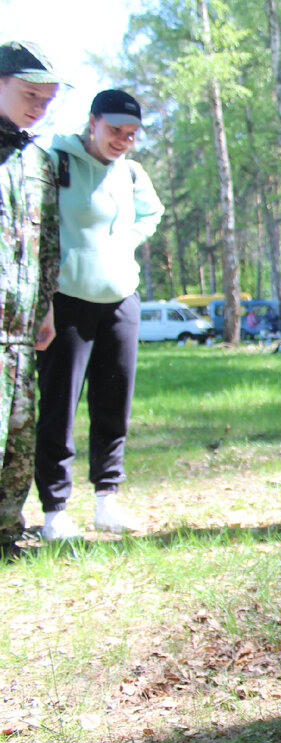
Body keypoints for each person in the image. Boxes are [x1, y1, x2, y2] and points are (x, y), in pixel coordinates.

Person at [35, 89, 165, 540]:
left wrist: (124, 241)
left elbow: (152, 213)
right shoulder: (56, 160)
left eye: (131, 135)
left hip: (120, 298)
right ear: (92, 121)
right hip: (67, 298)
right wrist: (45, 297)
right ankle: (55, 511)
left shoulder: (131, 172)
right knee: (59, 405)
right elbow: (38, 224)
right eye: (114, 131)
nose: (122, 141)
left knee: (114, 402)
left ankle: (106, 501)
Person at [0, 42, 62, 559]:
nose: (38, 106)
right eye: (29, 94)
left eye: (47, 98)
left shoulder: (37, 160)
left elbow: (48, 245)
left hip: (20, 328)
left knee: (18, 440)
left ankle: (6, 534)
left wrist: (45, 308)